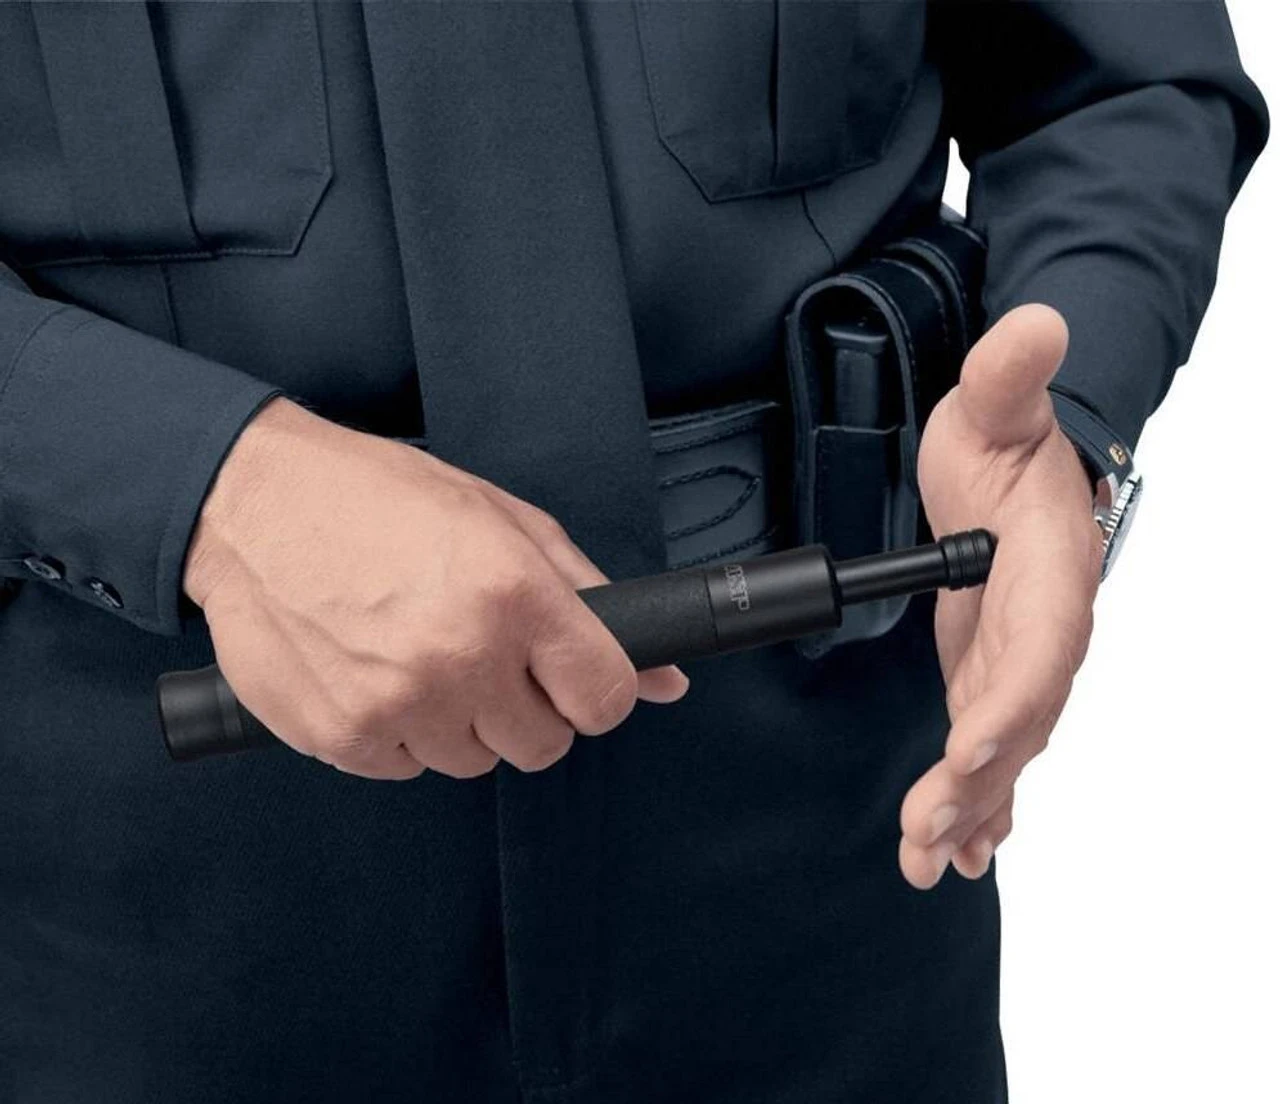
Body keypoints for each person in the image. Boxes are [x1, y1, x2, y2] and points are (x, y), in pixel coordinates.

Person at [0, 2, 1266, 1101]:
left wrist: (1062, 429)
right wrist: (213, 491)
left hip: (831, 873)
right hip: (145, 907)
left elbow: (1122, 81)